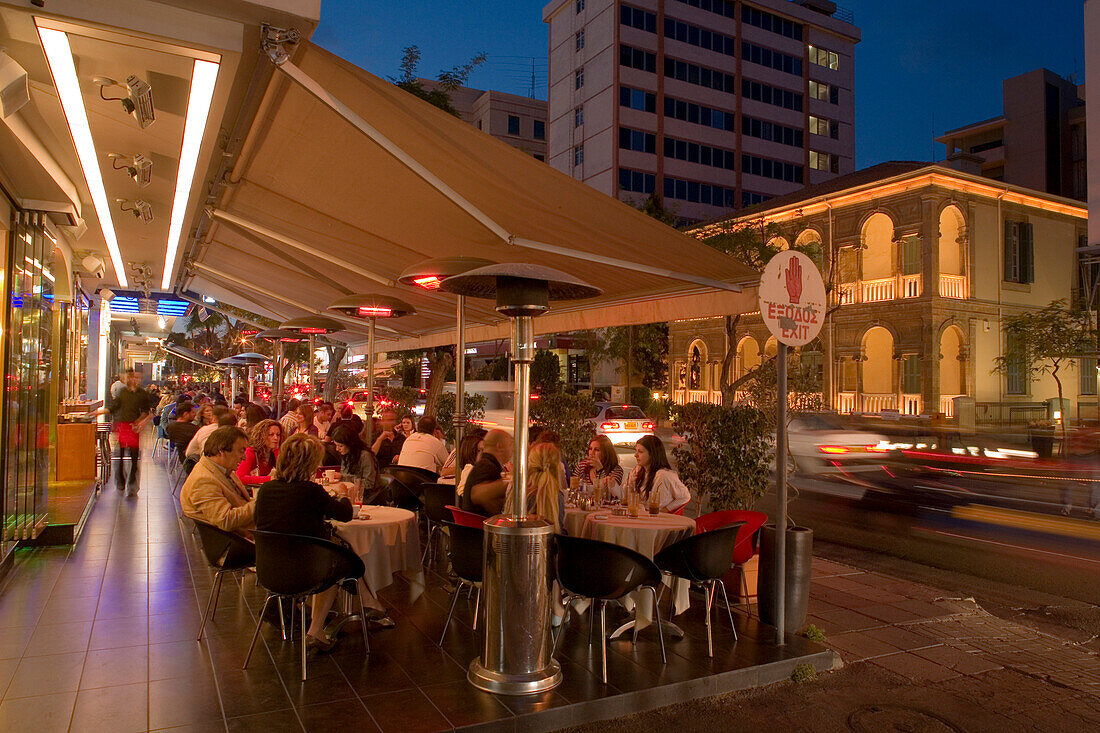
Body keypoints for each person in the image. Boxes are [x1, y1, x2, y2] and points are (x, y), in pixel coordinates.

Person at [254, 434, 354, 652]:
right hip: (306, 572)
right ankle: (316, 631)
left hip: (269, 570)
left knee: (331, 555)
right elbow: (345, 514)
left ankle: (367, 605)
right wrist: (344, 495)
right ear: (310, 463)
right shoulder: (311, 491)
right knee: (342, 561)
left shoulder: (266, 491)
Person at [179, 426, 255, 536]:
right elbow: (226, 520)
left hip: (249, 527)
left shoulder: (222, 468)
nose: (244, 457)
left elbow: (239, 501)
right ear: (222, 451)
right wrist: (259, 504)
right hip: (242, 539)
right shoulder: (203, 480)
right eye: (241, 451)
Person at [105, 368, 153, 496]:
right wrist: (101, 411)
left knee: (134, 456)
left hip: (133, 427)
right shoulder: (122, 392)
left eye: (138, 378)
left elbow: (146, 411)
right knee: (120, 455)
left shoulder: (142, 394)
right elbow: (114, 406)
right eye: (133, 377)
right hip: (123, 425)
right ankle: (120, 480)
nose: (135, 380)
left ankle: (131, 481)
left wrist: (139, 422)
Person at [503, 442, 567, 533]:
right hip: (545, 545)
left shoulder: (515, 489)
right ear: (557, 466)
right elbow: (558, 530)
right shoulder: (555, 496)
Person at [622, 435, 691, 513]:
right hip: (644, 517)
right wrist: (632, 482)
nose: (635, 455)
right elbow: (629, 499)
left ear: (652, 454)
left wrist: (666, 510)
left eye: (640, 452)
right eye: (636, 451)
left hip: (657, 521)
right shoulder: (642, 472)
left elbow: (685, 497)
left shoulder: (664, 475)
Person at [462, 429, 513, 516]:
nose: (512, 450)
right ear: (499, 446)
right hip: (478, 526)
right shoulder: (488, 467)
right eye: (510, 445)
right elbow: (481, 497)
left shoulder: (484, 464)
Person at [330, 425, 377, 493]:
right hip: (349, 491)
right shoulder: (346, 454)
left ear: (350, 444)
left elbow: (369, 484)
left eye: (340, 446)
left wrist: (343, 477)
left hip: (363, 495)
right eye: (336, 445)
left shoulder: (365, 456)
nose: (337, 449)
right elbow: (344, 474)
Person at [237, 419, 283, 487]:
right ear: (261, 436)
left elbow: (283, 471)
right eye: (271, 435)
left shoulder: (273, 452)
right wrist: (270, 479)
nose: (276, 438)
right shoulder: (250, 452)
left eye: (278, 435)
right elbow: (240, 477)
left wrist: (276, 450)